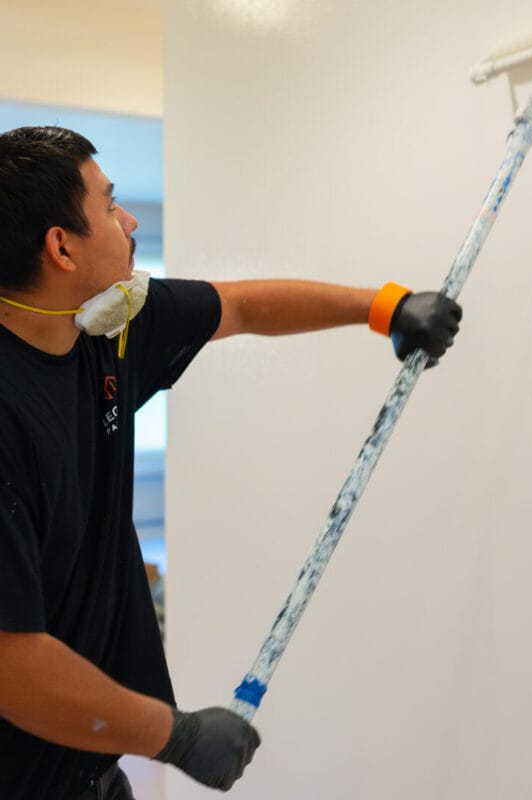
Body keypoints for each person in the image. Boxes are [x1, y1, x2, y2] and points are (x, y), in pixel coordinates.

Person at [0, 126, 462, 799]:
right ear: (61, 247)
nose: (128, 221)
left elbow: (243, 305)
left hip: (89, 770)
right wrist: (175, 735)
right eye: (109, 205)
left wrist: (385, 308)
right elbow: (13, 666)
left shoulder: (104, 329)